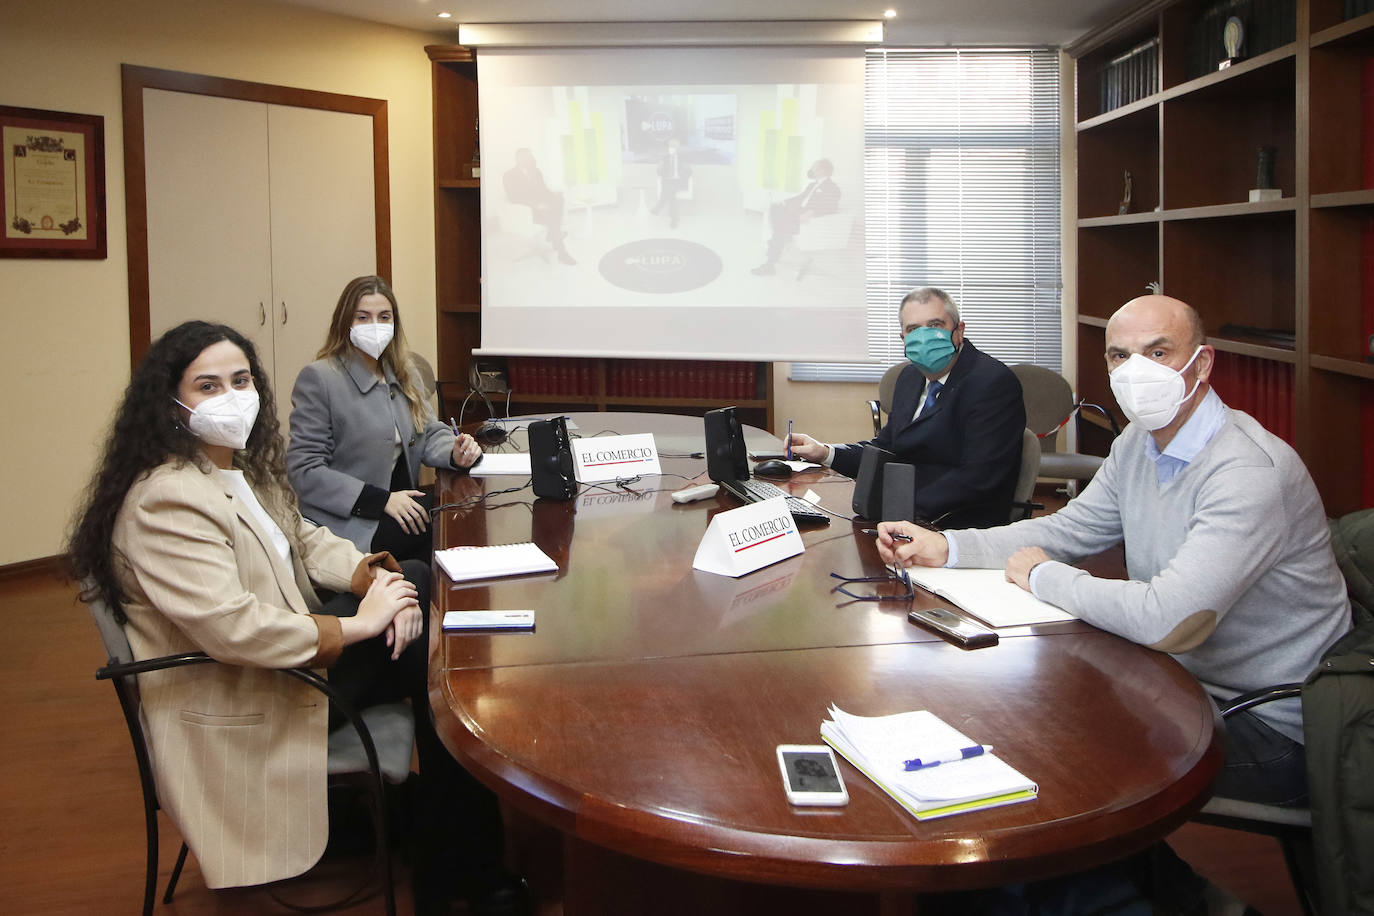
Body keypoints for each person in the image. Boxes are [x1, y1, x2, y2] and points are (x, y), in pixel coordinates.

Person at [878, 294, 1351, 913]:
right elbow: (1071, 530)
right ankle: (1165, 897)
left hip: (1274, 722)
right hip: (1185, 681)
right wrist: (948, 547)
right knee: (1019, 719)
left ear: (1202, 364)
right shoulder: (1139, 443)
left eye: (1159, 353)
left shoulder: (1247, 470)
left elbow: (1168, 618)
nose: (1138, 371)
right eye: (1120, 356)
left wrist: (1045, 578)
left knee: (1064, 769)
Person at [68, 321, 524, 915]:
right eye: (208, 386)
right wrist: (365, 623)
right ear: (170, 404)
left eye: (241, 380)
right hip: (243, 684)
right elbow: (234, 627)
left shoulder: (237, 469)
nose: (232, 397)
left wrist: (373, 578)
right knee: (441, 666)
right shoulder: (166, 498)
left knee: (416, 592)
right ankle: (464, 867)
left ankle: (450, 849)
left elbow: (305, 539)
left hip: (283, 658)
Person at [789, 287, 1026, 529]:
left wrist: (895, 508)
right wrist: (826, 453)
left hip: (955, 524)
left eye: (935, 325)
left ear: (959, 331)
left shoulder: (992, 382)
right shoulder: (909, 377)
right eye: (913, 329)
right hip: (905, 514)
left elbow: (978, 478)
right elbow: (886, 449)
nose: (924, 337)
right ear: (903, 337)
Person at [288, 275, 483, 563]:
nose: (375, 326)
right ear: (346, 323)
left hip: (400, 509)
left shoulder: (403, 373)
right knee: (450, 523)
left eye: (384, 317)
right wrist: (380, 501)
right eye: (363, 317)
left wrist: (456, 452)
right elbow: (304, 470)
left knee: (464, 514)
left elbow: (428, 432)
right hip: (350, 523)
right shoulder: (321, 378)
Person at [751, 157, 841, 276]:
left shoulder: (832, 187)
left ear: (822, 170)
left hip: (806, 218)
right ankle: (782, 236)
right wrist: (784, 202)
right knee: (775, 208)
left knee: (780, 230)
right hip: (797, 214)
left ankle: (770, 264)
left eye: (814, 167)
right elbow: (800, 198)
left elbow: (832, 207)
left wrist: (812, 212)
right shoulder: (812, 185)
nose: (811, 170)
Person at [502, 147, 576, 265]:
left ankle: (553, 233)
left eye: (529, 156)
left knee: (559, 199)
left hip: (540, 206)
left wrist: (553, 195)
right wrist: (536, 205)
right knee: (550, 215)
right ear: (517, 159)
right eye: (524, 157)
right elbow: (514, 197)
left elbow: (543, 190)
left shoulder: (535, 171)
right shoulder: (509, 175)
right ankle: (562, 252)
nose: (527, 159)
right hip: (526, 210)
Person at [651, 137, 692, 228]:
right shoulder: (664, 158)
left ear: (677, 148)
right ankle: (674, 219)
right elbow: (659, 173)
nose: (671, 148)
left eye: (673, 146)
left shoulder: (683, 158)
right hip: (668, 182)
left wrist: (686, 170)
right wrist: (659, 168)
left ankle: (658, 207)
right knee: (671, 196)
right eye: (670, 146)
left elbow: (689, 173)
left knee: (669, 192)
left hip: (678, 181)